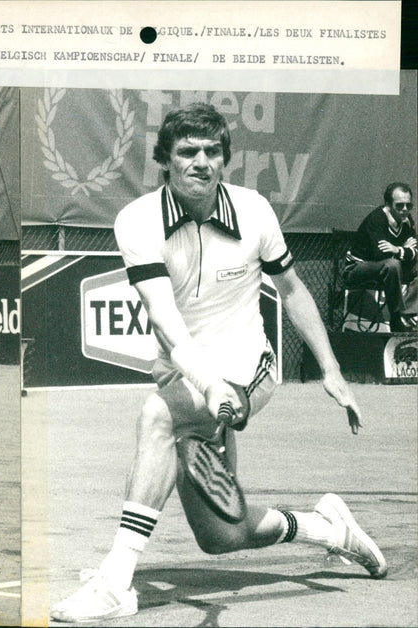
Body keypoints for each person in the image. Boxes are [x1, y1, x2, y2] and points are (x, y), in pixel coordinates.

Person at [50, 103, 387, 623]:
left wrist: (332, 369)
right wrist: (205, 383)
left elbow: (293, 291)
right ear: (165, 161)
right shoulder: (137, 221)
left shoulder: (253, 211)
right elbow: (164, 318)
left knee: (158, 417)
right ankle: (328, 527)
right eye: (187, 152)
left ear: (224, 159)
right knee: (223, 535)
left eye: (212, 151)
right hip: (186, 370)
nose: (201, 162)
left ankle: (116, 581)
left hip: (252, 368)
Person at [343, 182, 417, 332]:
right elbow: (381, 255)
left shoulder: (407, 220)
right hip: (357, 269)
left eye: (408, 206)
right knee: (392, 265)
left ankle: (408, 314)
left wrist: (397, 249)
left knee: (396, 264)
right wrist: (404, 249)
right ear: (388, 204)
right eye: (399, 205)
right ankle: (396, 318)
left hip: (388, 269)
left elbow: (415, 251)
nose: (404, 210)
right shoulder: (376, 220)